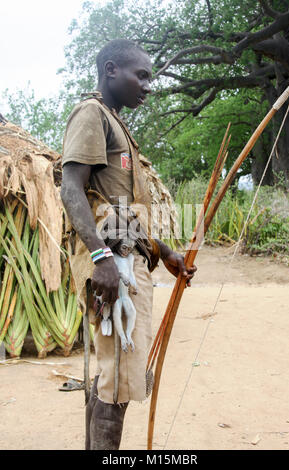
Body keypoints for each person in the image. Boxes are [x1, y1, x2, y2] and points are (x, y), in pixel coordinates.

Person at [60, 39, 196, 450]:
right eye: (142, 75)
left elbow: (120, 213)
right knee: (118, 382)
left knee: (112, 378)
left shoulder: (115, 123)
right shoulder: (92, 113)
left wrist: (162, 251)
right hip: (113, 266)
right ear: (111, 69)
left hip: (125, 259)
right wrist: (101, 258)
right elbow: (72, 190)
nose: (148, 86)